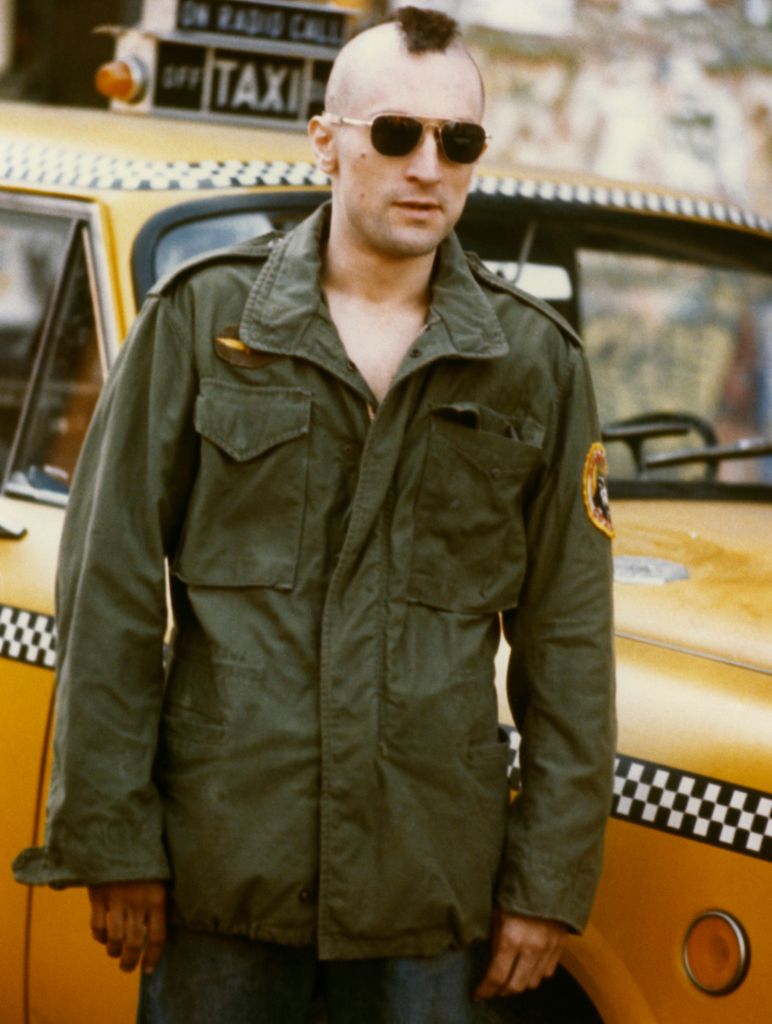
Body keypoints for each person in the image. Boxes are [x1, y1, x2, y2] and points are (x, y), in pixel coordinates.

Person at [13, 7, 616, 1022]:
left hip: (426, 882)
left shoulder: (534, 366)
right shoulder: (205, 320)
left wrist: (548, 883)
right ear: (325, 140)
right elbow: (107, 586)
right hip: (224, 867)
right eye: (395, 133)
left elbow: (568, 636)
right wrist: (114, 839)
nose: (428, 164)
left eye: (456, 140)